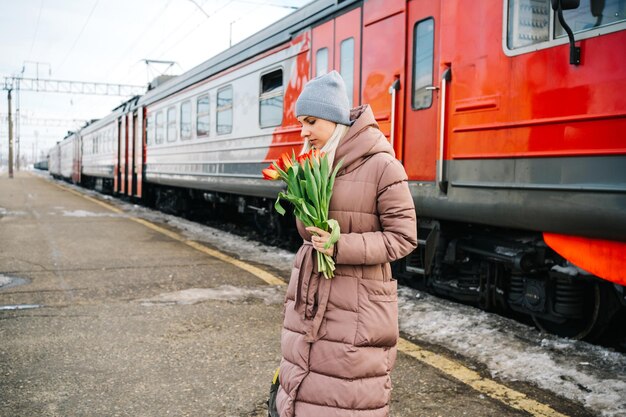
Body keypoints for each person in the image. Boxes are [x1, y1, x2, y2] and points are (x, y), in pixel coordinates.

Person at [275, 70, 418, 417]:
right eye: (301, 123)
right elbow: (307, 231)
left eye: (310, 122)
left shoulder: (383, 166)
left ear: (335, 121)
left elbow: (404, 238)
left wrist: (341, 245)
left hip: (356, 305)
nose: (303, 131)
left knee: (345, 395)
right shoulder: (313, 163)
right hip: (311, 294)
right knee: (304, 384)